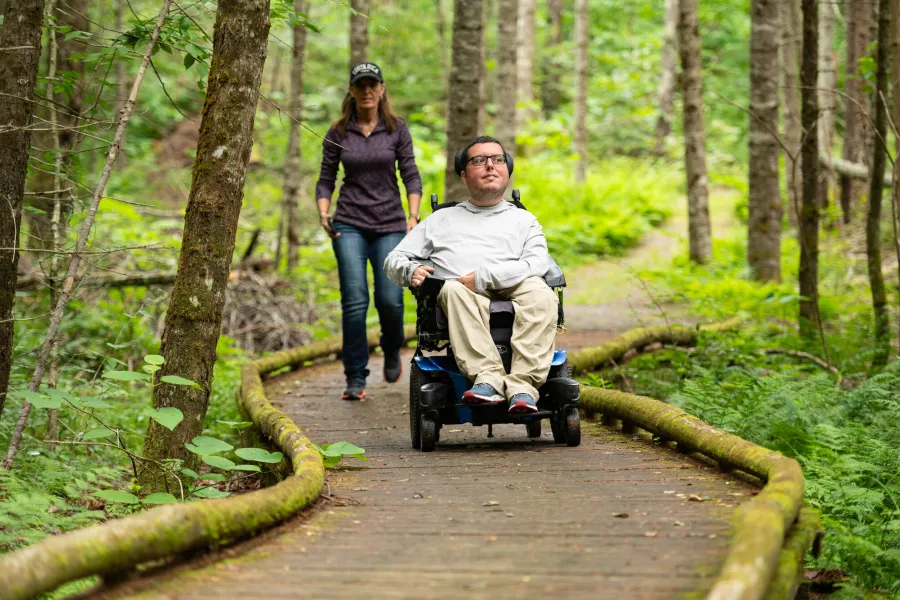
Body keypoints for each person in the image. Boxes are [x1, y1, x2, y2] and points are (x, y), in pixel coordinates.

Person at [383, 136, 558, 415]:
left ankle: (523, 387)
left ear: (507, 170)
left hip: (516, 286)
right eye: (479, 161)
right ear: (464, 175)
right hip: (463, 294)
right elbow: (394, 259)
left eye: (497, 159)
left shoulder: (523, 220)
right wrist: (410, 270)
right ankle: (487, 379)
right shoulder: (442, 220)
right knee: (451, 289)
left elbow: (537, 262)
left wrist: (484, 277)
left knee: (542, 292)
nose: (490, 166)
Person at [315, 62, 423, 401]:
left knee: (390, 300)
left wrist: (413, 215)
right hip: (349, 222)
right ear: (351, 90)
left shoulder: (396, 128)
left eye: (372, 85)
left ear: (381, 89)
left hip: (390, 222)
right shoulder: (338, 131)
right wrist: (323, 210)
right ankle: (355, 377)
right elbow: (326, 178)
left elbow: (410, 174)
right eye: (360, 85)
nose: (366, 91)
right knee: (355, 301)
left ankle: (391, 348)